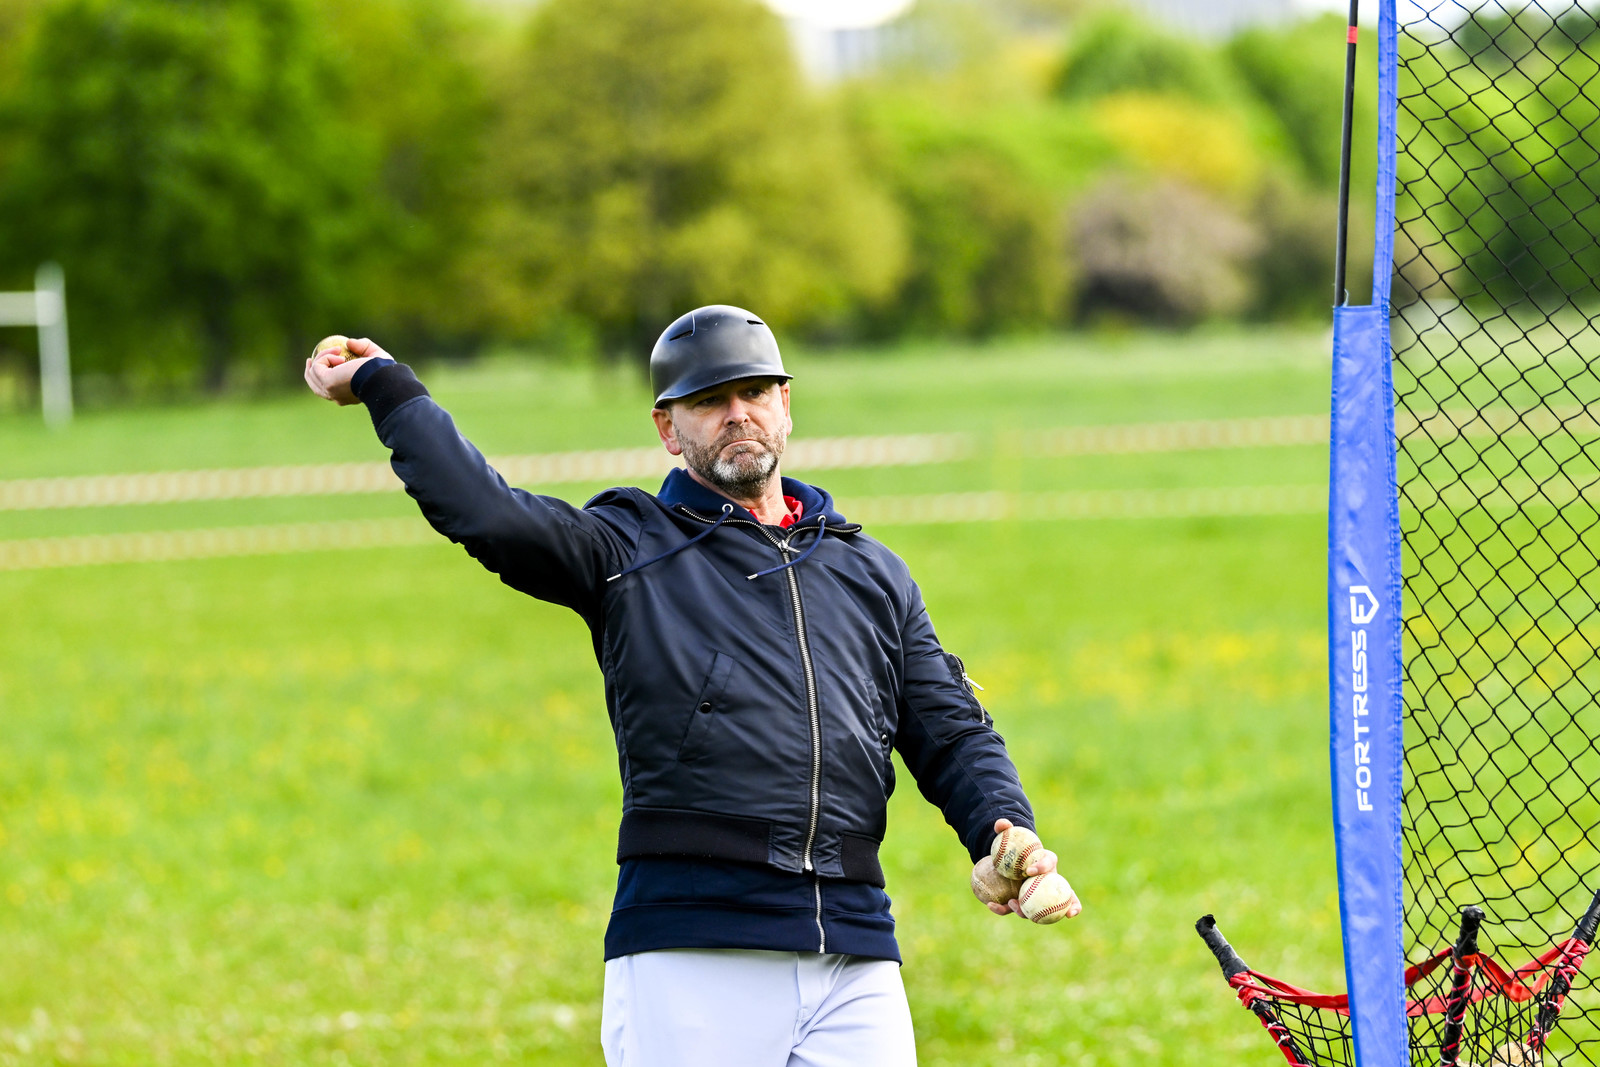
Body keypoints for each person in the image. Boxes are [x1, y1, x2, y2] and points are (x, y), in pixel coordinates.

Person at [303, 304, 1078, 1066]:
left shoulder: (869, 570)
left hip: (854, 946)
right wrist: (388, 387)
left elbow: (949, 728)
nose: (736, 414)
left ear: (784, 404)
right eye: (709, 401)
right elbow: (488, 515)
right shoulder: (626, 545)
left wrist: (1002, 828)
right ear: (669, 429)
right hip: (692, 945)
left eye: (754, 392)